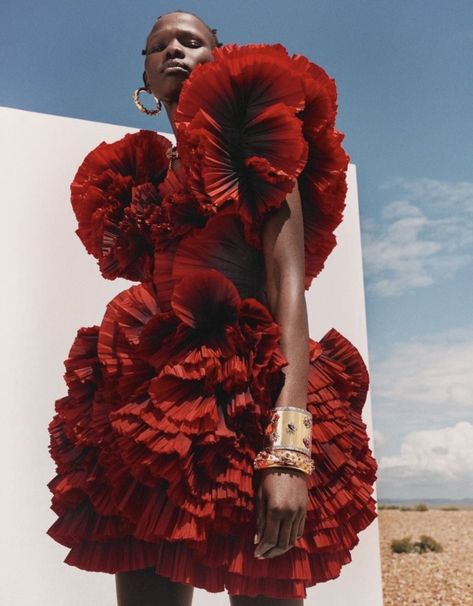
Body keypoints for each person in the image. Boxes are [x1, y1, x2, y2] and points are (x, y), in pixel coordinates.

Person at [46, 10, 378, 606]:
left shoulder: (260, 144)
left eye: (190, 41)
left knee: (264, 586)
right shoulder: (138, 177)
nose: (173, 51)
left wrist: (289, 448)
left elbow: (289, 290)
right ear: (144, 77)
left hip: (247, 395)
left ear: (217, 57)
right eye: (157, 46)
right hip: (146, 406)